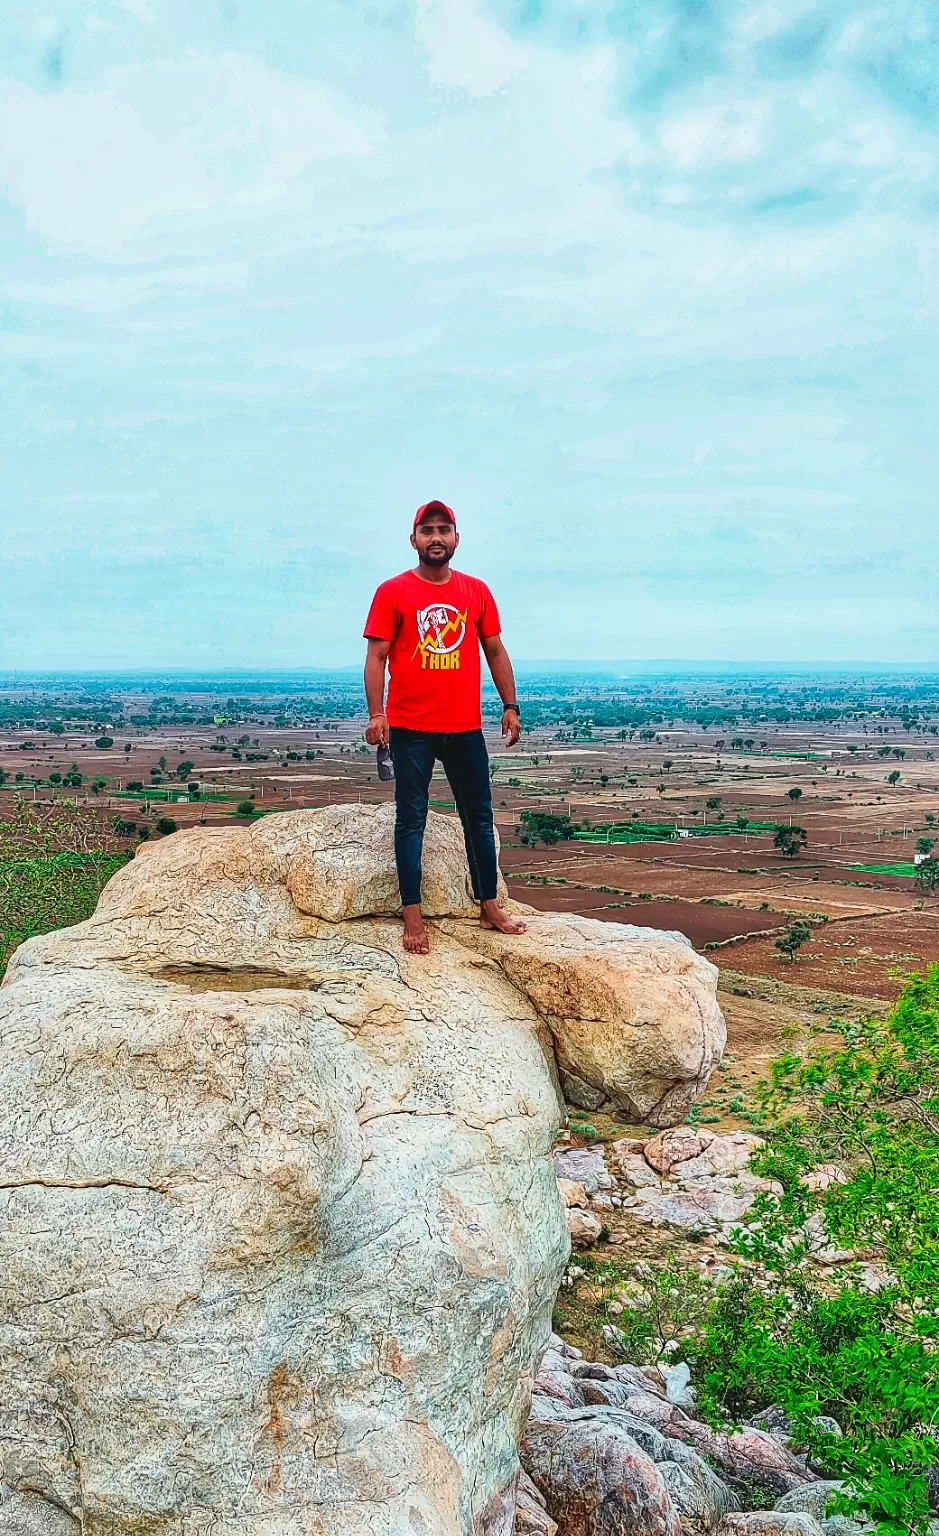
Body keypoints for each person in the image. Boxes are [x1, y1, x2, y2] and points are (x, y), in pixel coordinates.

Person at [363, 499, 528, 954]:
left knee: (478, 816)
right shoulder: (392, 592)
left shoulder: (476, 591)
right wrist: (378, 714)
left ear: (456, 538)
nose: (436, 537)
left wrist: (509, 704)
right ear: (413, 539)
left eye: (444, 529)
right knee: (411, 818)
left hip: (463, 727)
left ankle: (489, 904)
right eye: (427, 530)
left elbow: (494, 650)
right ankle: (412, 915)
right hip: (411, 727)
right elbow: (376, 657)